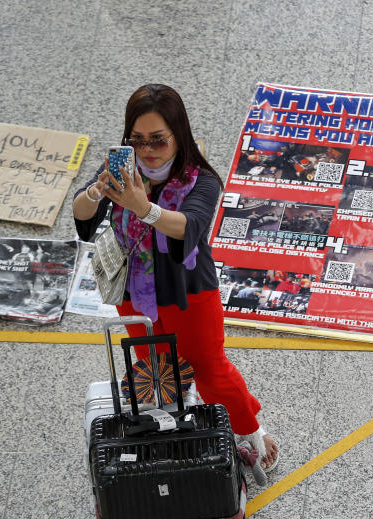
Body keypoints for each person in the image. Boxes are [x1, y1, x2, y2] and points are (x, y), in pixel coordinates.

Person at [72, 84, 279, 472]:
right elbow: (82, 214)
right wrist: (97, 192)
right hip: (133, 293)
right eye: (137, 140)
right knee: (158, 366)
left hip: (188, 293)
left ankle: (250, 429)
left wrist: (143, 207)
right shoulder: (120, 172)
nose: (147, 150)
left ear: (178, 137)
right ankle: (179, 428)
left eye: (158, 140)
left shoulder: (201, 180)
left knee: (210, 368)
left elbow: (191, 226)